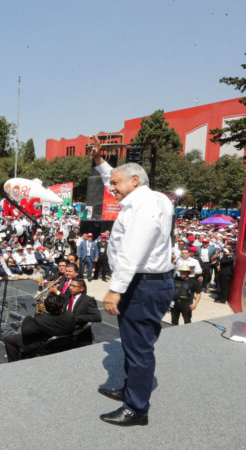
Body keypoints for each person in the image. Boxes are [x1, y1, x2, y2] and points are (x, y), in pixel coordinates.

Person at [91, 138, 175, 427]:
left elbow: (134, 251)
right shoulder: (145, 197)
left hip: (143, 284)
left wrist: (115, 289)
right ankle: (131, 390)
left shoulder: (145, 206)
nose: (111, 188)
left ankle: (136, 409)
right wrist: (100, 160)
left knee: (139, 348)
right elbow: (116, 176)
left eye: (115, 184)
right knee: (131, 344)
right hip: (143, 283)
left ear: (135, 180)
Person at [3, 293, 76, 362]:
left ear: (46, 308)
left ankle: (14, 364)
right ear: (62, 307)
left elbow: (25, 331)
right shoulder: (71, 315)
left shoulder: (41, 320)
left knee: (9, 339)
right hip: (62, 343)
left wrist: (30, 318)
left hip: (44, 346)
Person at [64, 279, 102, 346]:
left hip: (77, 333)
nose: (70, 288)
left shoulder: (88, 300)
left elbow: (97, 317)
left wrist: (76, 318)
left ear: (81, 288)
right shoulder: (68, 297)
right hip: (65, 327)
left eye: (74, 286)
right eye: (70, 285)